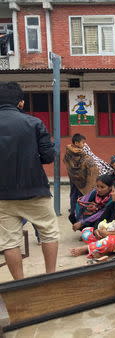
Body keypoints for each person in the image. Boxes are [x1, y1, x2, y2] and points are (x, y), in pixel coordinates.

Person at [0, 81, 59, 280]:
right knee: (48, 233)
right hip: (35, 191)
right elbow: (48, 157)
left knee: (10, 242)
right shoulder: (34, 123)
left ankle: (20, 284)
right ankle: (50, 277)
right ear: (21, 103)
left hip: (3, 196)